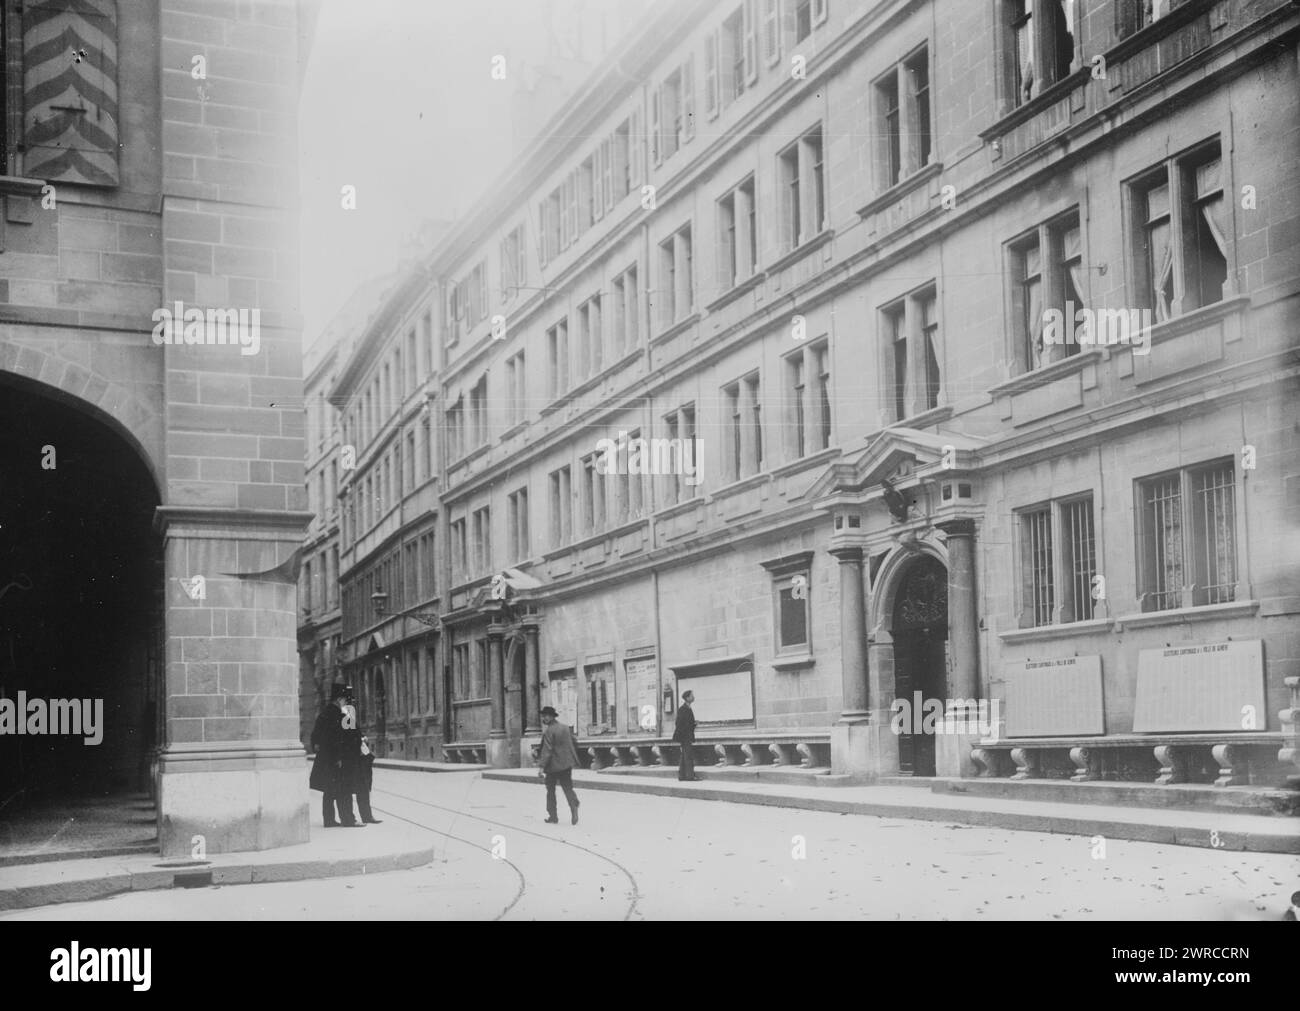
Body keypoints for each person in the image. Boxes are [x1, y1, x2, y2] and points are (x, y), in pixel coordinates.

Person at [308, 683, 363, 828]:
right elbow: (337, 738)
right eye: (345, 700)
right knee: (344, 789)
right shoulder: (338, 714)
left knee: (329, 790)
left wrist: (319, 748)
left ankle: (329, 820)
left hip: (327, 759)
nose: (346, 703)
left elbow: (315, 737)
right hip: (337, 759)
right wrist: (339, 757)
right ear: (339, 699)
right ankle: (348, 820)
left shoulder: (324, 713)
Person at [537, 705, 581, 825]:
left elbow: (547, 750)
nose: (544, 718)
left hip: (552, 766)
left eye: (545, 716)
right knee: (568, 788)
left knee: (550, 790)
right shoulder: (565, 728)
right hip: (566, 764)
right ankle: (574, 806)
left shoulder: (549, 731)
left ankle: (553, 816)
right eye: (543, 716)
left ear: (551, 717)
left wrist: (541, 767)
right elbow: (574, 742)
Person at [673, 689, 700, 781]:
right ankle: (690, 776)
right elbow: (679, 723)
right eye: (692, 696)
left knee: (684, 756)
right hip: (685, 737)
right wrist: (692, 725)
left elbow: (686, 722)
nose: (693, 697)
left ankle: (682, 776)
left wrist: (693, 724)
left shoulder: (687, 708)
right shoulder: (683, 709)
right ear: (687, 698)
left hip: (686, 736)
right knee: (688, 756)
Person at [355, 734, 382, 824]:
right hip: (358, 759)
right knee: (362, 790)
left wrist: (363, 739)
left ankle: (367, 816)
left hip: (363, 758)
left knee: (365, 790)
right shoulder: (348, 721)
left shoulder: (351, 722)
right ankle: (366, 817)